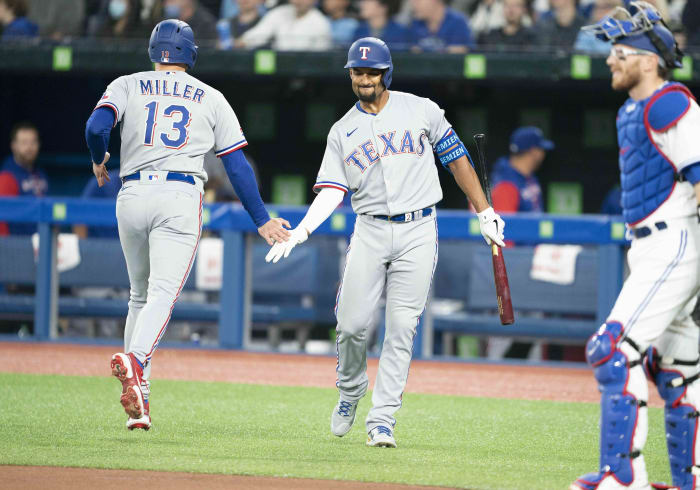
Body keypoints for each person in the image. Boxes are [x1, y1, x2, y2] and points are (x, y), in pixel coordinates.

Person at [265, 37, 506, 447]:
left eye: (371, 71)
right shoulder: (342, 130)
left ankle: (383, 419)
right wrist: (303, 229)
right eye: (357, 72)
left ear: (386, 73)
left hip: (418, 229)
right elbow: (331, 191)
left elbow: (457, 159)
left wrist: (484, 210)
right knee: (352, 324)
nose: (364, 78)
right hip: (371, 228)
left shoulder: (421, 109)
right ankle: (349, 388)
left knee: (401, 327)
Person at [84, 19, 290, 431]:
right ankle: (136, 363)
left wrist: (99, 156)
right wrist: (261, 219)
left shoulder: (127, 83)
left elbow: (96, 127)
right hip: (179, 195)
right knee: (162, 292)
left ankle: (139, 401)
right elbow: (236, 164)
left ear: (152, 49)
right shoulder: (211, 97)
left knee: (139, 295)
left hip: (131, 194)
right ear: (190, 54)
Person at [571, 3, 700, 489]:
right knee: (676, 371)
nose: (610, 60)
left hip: (676, 243)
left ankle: (622, 479)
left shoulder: (670, 102)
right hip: (651, 248)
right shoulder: (633, 109)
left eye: (620, 52)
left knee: (611, 352)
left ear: (648, 60)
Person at [0, 122, 47, 236]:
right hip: (16, 246)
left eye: (33, 142)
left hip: (39, 242)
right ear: (14, 145)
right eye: (24, 143)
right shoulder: (7, 177)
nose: (29, 147)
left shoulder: (40, 174)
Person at [490, 126, 552, 213]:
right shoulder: (506, 184)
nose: (543, 154)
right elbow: (504, 224)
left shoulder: (529, 176)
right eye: (541, 149)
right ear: (534, 151)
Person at [237, 0, 333, 51]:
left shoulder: (321, 23)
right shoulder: (279, 12)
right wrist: (242, 42)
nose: (298, 1)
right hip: (278, 68)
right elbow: (260, 33)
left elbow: (320, 57)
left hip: (306, 74)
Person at [410, 0, 476, 53]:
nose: (414, 4)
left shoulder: (458, 22)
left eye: (418, 1)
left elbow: (461, 53)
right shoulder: (416, 23)